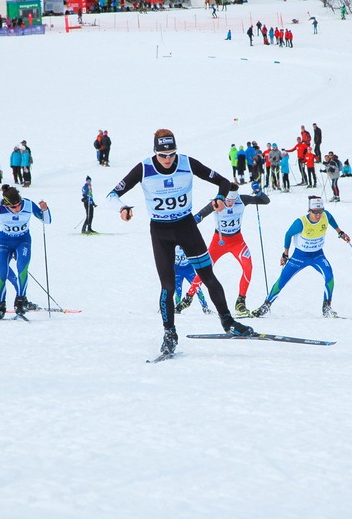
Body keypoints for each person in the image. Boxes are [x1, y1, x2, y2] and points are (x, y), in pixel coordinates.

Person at [106, 128, 256, 356]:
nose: (167, 159)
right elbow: (112, 195)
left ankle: (228, 322)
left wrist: (219, 197)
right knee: (168, 286)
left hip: (186, 227)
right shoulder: (144, 168)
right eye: (162, 155)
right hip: (161, 232)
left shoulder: (187, 163)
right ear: (155, 152)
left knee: (208, 276)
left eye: (171, 154)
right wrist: (122, 208)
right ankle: (170, 334)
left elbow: (224, 182)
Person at [176, 182, 270, 316]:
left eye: (233, 201)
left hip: (237, 242)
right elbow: (199, 216)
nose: (230, 203)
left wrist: (258, 191)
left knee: (248, 267)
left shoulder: (242, 200)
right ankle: (188, 299)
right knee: (204, 270)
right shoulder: (216, 202)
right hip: (219, 243)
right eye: (228, 201)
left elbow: (265, 201)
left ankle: (240, 302)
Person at [252, 196, 350, 318]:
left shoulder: (325, 215)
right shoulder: (301, 223)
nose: (318, 215)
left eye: (320, 211)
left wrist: (340, 232)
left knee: (329, 276)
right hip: (300, 256)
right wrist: (285, 254)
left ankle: (326, 308)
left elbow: (330, 219)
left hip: (318, 255)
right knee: (282, 280)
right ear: (309, 210)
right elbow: (288, 234)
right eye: (315, 212)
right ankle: (265, 306)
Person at [0, 186, 51, 319]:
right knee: (2, 272)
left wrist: (45, 209)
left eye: (19, 205)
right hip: (4, 241)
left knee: (22, 268)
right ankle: (0, 306)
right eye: (13, 207)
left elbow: (47, 221)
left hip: (23, 241)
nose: (17, 209)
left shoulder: (28, 204)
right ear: (6, 204)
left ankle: (21, 301)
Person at [174, 246, 212, 315]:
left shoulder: (186, 242)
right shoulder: (172, 243)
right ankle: (177, 308)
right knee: (178, 290)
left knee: (197, 288)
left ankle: (205, 308)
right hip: (177, 269)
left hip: (189, 269)